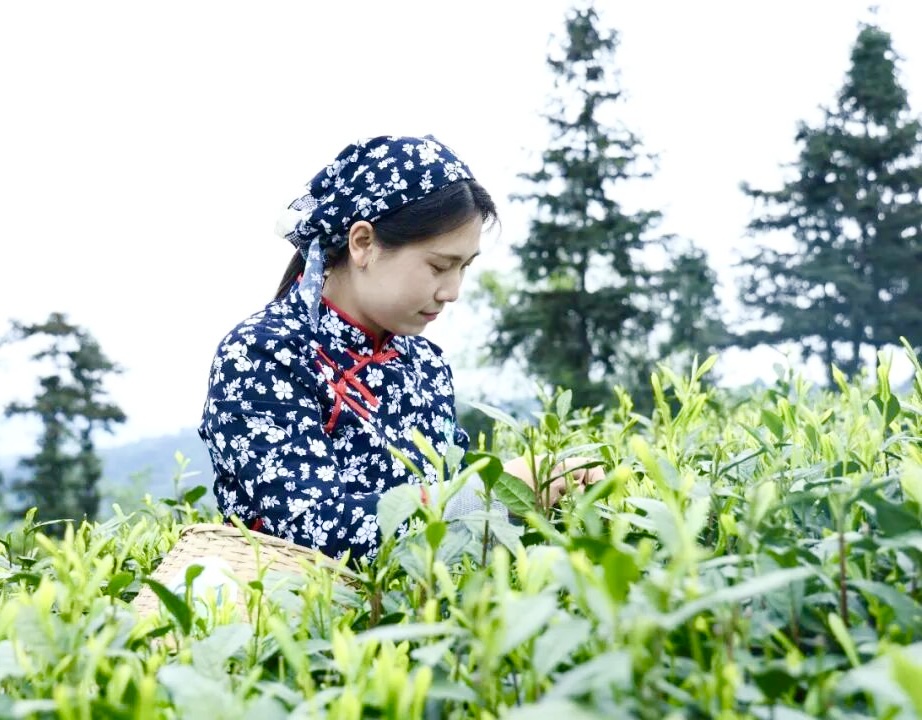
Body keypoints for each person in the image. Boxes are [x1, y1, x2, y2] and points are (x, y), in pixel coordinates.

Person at [198, 134, 602, 561]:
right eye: (439, 266)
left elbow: (453, 520)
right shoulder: (264, 355)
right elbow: (314, 530)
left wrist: (549, 485)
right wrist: (493, 493)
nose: (452, 291)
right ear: (363, 243)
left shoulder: (425, 364)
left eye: (464, 267)